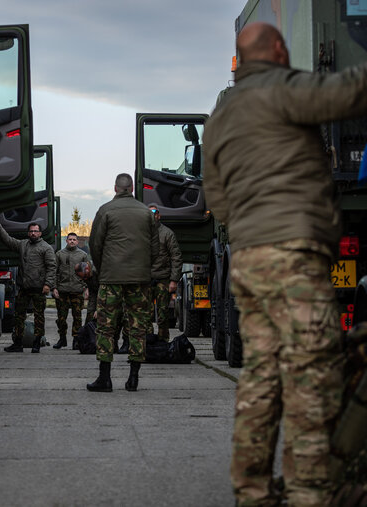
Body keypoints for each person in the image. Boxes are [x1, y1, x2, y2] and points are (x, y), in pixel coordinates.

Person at [203, 22, 367, 506]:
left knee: (262, 373)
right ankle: (309, 492)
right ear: (277, 51)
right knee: (310, 372)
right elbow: (349, 92)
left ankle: (252, 491)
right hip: (293, 249)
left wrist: (249, 231)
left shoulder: (220, 117)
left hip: (249, 255)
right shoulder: (282, 88)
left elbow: (217, 199)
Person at [86, 173, 158, 392]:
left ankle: (104, 379)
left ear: (115, 188)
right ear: (132, 189)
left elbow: (95, 244)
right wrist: (145, 269)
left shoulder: (105, 210)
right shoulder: (146, 213)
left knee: (106, 326)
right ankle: (133, 377)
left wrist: (102, 269)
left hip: (111, 278)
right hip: (140, 279)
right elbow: (155, 247)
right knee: (137, 327)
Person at [0, 218, 56, 353]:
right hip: (24, 288)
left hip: (39, 288)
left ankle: (37, 343)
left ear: (40, 233)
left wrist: (48, 285)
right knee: (18, 316)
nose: (33, 233)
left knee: (39, 317)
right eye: (31, 231)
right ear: (28, 233)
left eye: (36, 231)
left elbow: (52, 267)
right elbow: (8, 240)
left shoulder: (46, 248)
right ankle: (18, 343)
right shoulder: (23, 245)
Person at [147, 204, 182, 342]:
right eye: (148, 213)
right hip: (146, 279)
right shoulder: (142, 233)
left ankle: (162, 343)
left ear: (158, 215)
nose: (151, 215)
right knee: (145, 315)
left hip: (162, 279)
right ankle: (148, 343)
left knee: (162, 315)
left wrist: (174, 280)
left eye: (154, 212)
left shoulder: (167, 233)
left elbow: (176, 257)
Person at [52, 233, 89, 349]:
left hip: (77, 291)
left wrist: (87, 288)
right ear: (66, 241)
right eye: (70, 239)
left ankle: (76, 340)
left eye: (74, 239)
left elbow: (87, 273)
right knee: (61, 318)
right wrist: (54, 287)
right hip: (62, 290)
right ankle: (62, 339)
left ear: (77, 242)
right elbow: (54, 272)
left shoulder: (83, 255)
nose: (72, 241)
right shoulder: (59, 254)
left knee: (77, 317)